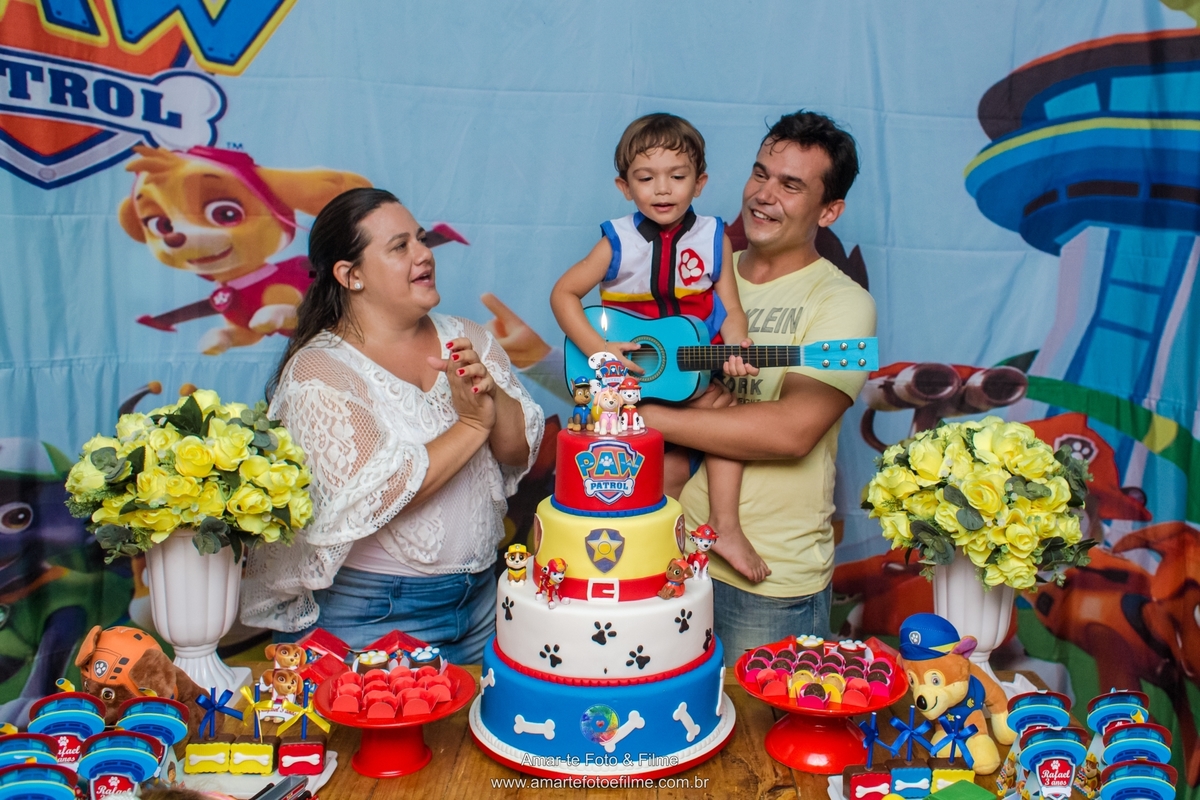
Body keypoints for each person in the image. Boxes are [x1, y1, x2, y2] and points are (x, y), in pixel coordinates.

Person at [241, 188, 544, 664]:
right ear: (351, 275)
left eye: (421, 240)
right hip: (375, 615)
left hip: (485, 600)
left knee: (476, 736)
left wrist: (491, 396)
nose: (424, 254)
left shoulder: (468, 336)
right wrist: (470, 423)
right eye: (400, 246)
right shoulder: (319, 372)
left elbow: (517, 451)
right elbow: (378, 494)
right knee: (381, 735)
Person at [638, 111, 877, 664]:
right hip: (667, 556)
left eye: (791, 185)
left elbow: (791, 431)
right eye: (760, 173)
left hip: (768, 582)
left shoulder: (840, 303)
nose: (764, 195)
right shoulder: (696, 270)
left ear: (829, 210)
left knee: (760, 742)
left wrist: (644, 415)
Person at [550, 113, 768, 583]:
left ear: (701, 182)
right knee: (663, 478)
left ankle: (725, 527)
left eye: (678, 176)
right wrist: (601, 351)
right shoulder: (616, 241)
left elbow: (731, 309)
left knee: (730, 422)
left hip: (692, 379)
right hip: (628, 391)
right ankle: (648, 566)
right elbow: (563, 294)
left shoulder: (715, 238)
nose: (662, 189)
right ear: (625, 187)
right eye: (646, 178)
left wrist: (736, 342)